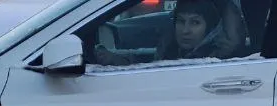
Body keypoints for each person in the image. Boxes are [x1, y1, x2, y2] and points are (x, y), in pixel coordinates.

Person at [92, 0, 245, 65]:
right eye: (181, 21)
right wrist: (113, 58)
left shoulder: (215, 58)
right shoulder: (169, 48)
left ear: (210, 28)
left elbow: (233, 37)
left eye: (195, 22)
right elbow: (148, 63)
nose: (185, 30)